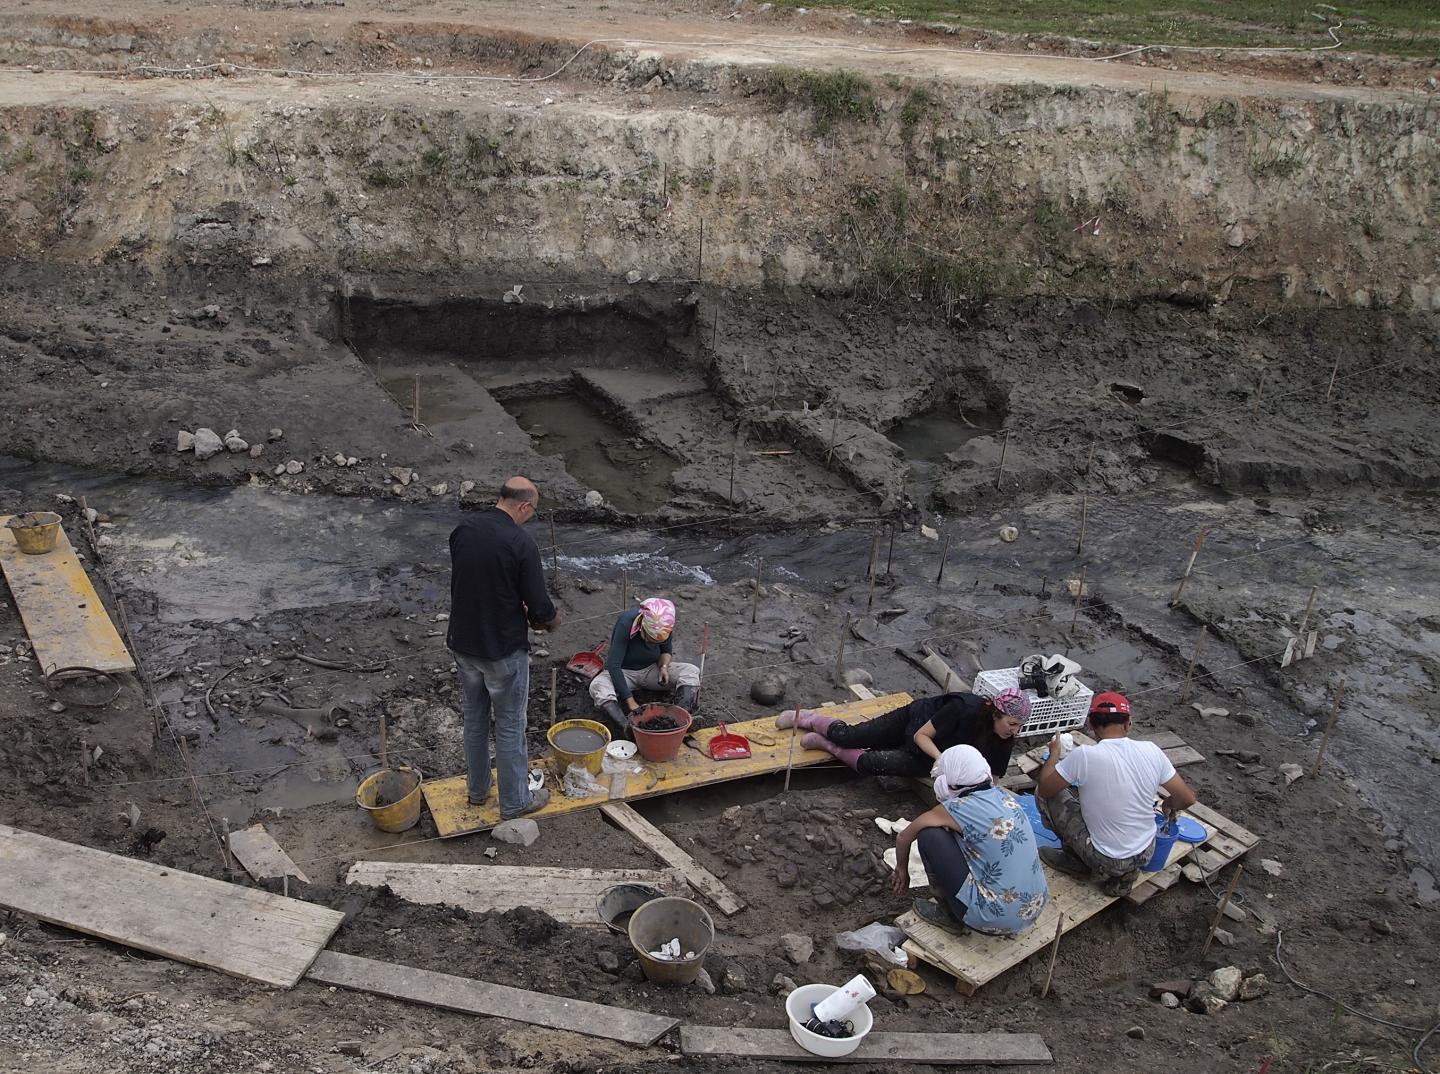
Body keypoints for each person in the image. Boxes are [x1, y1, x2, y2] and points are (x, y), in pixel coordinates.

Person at [447, 477, 562, 818]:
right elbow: (540, 608)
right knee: (511, 725)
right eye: (534, 511)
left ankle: (478, 791)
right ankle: (515, 802)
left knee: (475, 721)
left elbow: (477, 581)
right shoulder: (520, 543)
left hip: (464, 643)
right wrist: (550, 622)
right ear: (524, 505)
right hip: (502, 650)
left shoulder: (464, 529)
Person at [1035, 691, 1199, 896]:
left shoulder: (1085, 756)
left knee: (1044, 793)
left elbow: (1046, 789)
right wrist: (1168, 803)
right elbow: (1187, 798)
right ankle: (1124, 877)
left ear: (1091, 724)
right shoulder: (1152, 750)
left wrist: (1054, 755)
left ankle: (1078, 860)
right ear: (1128, 722)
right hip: (1146, 852)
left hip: (1107, 858)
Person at [891, 744, 1049, 936]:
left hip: (991, 919)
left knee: (929, 835)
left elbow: (904, 836)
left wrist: (902, 869)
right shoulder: (1002, 796)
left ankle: (949, 916)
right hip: (1033, 907)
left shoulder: (958, 808)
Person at [776, 688, 1032, 779]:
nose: (1015, 730)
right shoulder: (963, 708)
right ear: (995, 714)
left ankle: (827, 745)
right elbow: (922, 736)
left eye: (1019, 726)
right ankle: (808, 718)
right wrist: (943, 760)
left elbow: (994, 777)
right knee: (851, 736)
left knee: (871, 764)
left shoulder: (1006, 738)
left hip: (928, 761)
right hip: (917, 724)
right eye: (1012, 723)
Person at [589, 597, 702, 735]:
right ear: (642, 626)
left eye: (656, 642)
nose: (653, 644)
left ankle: (679, 717)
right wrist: (630, 702)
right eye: (650, 639)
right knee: (598, 685)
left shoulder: (665, 623)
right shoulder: (626, 623)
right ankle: (626, 727)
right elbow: (613, 665)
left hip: (651, 670)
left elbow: (666, 651)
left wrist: (664, 667)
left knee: (691, 671)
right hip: (625, 673)